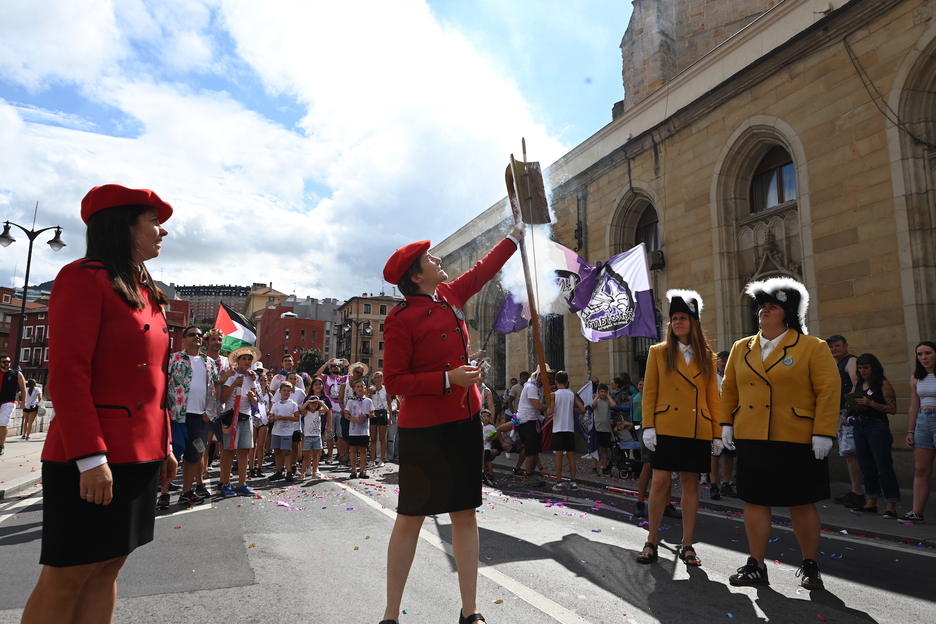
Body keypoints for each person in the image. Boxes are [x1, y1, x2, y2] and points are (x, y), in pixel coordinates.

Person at [21, 184, 176, 624]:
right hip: (94, 454)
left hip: (140, 451)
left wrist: (163, 444)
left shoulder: (145, 290)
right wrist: (89, 457)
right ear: (121, 224)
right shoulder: (82, 278)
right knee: (67, 576)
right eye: (152, 221)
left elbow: (155, 380)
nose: (162, 232)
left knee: (108, 566)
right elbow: (69, 375)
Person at [380, 224, 522, 624]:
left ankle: (470, 611)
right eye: (431, 259)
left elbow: (484, 269)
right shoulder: (399, 319)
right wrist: (449, 378)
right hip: (423, 429)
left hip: (463, 421)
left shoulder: (449, 295)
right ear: (415, 275)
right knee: (411, 516)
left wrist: (516, 235)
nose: (438, 260)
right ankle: (390, 615)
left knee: (464, 513)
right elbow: (394, 382)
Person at [721, 277, 839, 590]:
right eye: (762, 306)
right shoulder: (741, 347)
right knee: (755, 501)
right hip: (753, 434)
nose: (764, 311)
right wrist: (726, 423)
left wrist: (824, 431)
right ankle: (756, 565)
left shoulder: (812, 346)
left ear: (786, 313)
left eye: (772, 306)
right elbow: (729, 387)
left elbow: (828, 390)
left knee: (801, 503)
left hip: (797, 436)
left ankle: (810, 565)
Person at [638, 289, 720, 568]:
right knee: (660, 482)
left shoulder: (707, 356)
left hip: (697, 428)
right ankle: (651, 539)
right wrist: (648, 426)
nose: (677, 323)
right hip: (666, 427)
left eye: (683, 318)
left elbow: (713, 397)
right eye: (674, 318)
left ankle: (687, 544)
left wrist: (719, 433)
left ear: (693, 322)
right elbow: (650, 393)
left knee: (690, 484)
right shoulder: (658, 352)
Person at [162, 325, 219, 508]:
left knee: (194, 455)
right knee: (170, 454)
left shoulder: (209, 362)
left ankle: (186, 492)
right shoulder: (173, 359)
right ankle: (163, 493)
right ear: (183, 339)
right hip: (176, 415)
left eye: (199, 335)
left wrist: (210, 412)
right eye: (192, 334)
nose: (196, 337)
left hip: (199, 418)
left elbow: (213, 389)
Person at [847, 353, 899, 518]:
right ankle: (871, 502)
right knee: (866, 466)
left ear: (873, 367)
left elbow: (892, 409)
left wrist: (871, 403)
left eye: (865, 367)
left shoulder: (883, 384)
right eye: (860, 367)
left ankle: (891, 505)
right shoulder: (858, 383)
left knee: (883, 465)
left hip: (877, 426)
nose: (862, 370)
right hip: (859, 425)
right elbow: (852, 404)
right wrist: (849, 410)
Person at [827, 334, 864, 508]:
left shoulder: (850, 361)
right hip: (843, 413)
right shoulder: (839, 363)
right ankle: (856, 491)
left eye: (837, 346)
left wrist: (850, 409)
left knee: (850, 453)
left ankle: (858, 493)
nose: (834, 349)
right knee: (848, 453)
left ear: (845, 346)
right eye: (832, 347)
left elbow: (857, 382)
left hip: (850, 414)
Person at [218, 347, 261, 497]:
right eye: (244, 359)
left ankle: (241, 483)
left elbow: (255, 400)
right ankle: (225, 484)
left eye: (249, 359)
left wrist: (251, 397)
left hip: (246, 416)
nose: (247, 362)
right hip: (232, 417)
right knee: (229, 452)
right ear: (238, 361)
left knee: (244, 451)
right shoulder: (231, 376)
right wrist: (235, 383)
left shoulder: (251, 377)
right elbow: (223, 398)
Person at [902, 340, 936, 523]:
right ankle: (916, 512)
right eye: (920, 354)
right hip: (923, 422)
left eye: (928, 353)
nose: (924, 357)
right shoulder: (916, 377)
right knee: (921, 469)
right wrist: (910, 431)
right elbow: (914, 406)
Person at [546, 370, 586, 491]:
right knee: (571, 456)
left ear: (556, 382)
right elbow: (583, 409)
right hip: (569, 428)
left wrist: (550, 402)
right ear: (567, 382)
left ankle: (559, 482)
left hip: (558, 428)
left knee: (559, 456)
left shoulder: (554, 395)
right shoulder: (571, 394)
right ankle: (573, 482)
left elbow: (550, 412)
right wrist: (572, 411)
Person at [707, 350, 737, 500]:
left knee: (729, 453)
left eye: (727, 360)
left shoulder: (734, 375)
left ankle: (726, 483)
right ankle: (713, 484)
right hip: (717, 421)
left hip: (732, 419)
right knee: (715, 453)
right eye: (722, 360)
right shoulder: (712, 378)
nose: (725, 363)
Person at [268, 381, 300, 482]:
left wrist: (286, 417)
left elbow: (297, 418)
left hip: (287, 431)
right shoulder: (276, 404)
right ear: (280, 391)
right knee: (277, 451)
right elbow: (270, 417)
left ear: (291, 392)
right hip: (276, 431)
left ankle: (289, 471)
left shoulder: (293, 404)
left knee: (286, 452)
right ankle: (279, 471)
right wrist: (274, 418)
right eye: (284, 390)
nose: (286, 392)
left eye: (288, 391)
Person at [299, 377, 330, 479]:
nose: (313, 404)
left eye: (315, 403)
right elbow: (301, 409)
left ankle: (315, 470)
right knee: (306, 454)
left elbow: (327, 410)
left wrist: (320, 402)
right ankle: (304, 470)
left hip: (317, 435)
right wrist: (308, 401)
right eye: (311, 403)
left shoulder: (318, 411)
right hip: (308, 435)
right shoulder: (307, 411)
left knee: (317, 453)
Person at [344, 379, 374, 479]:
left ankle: (362, 470)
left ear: (365, 388)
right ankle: (353, 470)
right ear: (354, 389)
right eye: (358, 386)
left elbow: (372, 413)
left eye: (362, 386)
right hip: (354, 429)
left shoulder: (368, 401)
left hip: (364, 430)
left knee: (363, 449)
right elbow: (346, 414)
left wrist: (366, 415)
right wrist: (354, 419)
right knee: (353, 449)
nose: (360, 388)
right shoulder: (351, 400)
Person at [0, 355, 26, 455]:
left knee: (3, 422)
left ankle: (1, 446)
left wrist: (24, 401)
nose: (6, 363)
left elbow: (23, 388)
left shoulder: (17, 374)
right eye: (4, 362)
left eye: (8, 361)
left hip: (9, 402)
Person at [591, 384, 616, 475]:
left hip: (606, 429)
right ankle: (594, 467)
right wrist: (596, 396)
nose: (603, 394)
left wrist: (609, 396)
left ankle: (604, 467)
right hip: (597, 428)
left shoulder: (607, 401)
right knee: (595, 449)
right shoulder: (596, 400)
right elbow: (592, 405)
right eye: (601, 392)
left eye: (605, 392)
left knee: (604, 449)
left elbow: (614, 405)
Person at [369, 371, 390, 467]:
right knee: (373, 438)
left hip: (383, 412)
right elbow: (367, 400)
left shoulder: (386, 390)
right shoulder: (371, 389)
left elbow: (389, 402)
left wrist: (389, 417)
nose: (377, 379)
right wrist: (369, 393)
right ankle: (372, 459)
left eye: (379, 377)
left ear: (382, 379)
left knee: (382, 438)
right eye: (375, 377)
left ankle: (382, 459)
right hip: (373, 413)